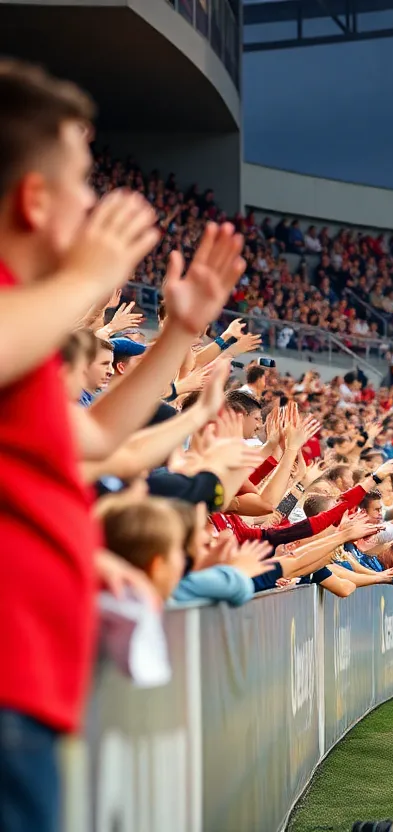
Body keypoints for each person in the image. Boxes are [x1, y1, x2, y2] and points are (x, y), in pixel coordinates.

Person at [0, 60, 246, 832]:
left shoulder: (26, 335)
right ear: (35, 200)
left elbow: (101, 436)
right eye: (82, 177)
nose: (95, 199)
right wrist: (87, 280)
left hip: (30, 686)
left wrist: (179, 333)